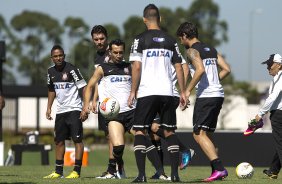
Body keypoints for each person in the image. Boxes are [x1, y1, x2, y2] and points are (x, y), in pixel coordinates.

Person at [128, 4, 188, 183]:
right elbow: (179, 66)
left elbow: (136, 66)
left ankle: (141, 176)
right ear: (160, 19)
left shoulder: (139, 40)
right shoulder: (171, 41)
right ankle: (175, 175)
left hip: (147, 92)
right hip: (168, 93)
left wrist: (133, 91)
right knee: (169, 132)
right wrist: (183, 91)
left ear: (144, 19)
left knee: (139, 131)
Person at [176, 22, 231, 182]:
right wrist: (213, 82)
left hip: (206, 96)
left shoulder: (191, 50)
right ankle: (217, 172)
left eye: (181, 38)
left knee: (198, 134)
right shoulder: (211, 49)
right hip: (218, 94)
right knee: (207, 135)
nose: (181, 42)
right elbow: (227, 69)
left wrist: (186, 91)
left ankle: (220, 169)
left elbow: (200, 70)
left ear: (185, 36)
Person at [81, 39, 135, 179]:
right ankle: (118, 167)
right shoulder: (102, 68)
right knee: (116, 145)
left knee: (144, 138)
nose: (118, 55)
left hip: (131, 111)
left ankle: (159, 173)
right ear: (110, 52)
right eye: (115, 52)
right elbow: (90, 86)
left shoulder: (130, 67)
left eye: (121, 52)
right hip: (112, 113)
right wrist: (87, 104)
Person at [43, 44, 87, 179]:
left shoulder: (72, 69)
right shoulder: (50, 72)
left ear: (64, 56)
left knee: (77, 140)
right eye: (55, 56)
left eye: (60, 55)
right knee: (59, 141)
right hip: (61, 111)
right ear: (52, 58)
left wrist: (85, 107)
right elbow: (51, 90)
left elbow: (83, 88)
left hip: (74, 109)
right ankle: (58, 171)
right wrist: (49, 107)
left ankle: (76, 171)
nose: (58, 58)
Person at [90, 25, 120, 179]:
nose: (99, 42)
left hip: (115, 101)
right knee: (109, 135)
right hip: (104, 102)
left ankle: (112, 170)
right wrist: (94, 100)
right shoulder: (97, 57)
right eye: (96, 39)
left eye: (102, 38)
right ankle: (116, 169)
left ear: (106, 38)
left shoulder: (112, 53)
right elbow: (98, 81)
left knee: (115, 134)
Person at [251, 54, 282, 179]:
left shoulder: (280, 78)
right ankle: (273, 170)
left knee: (280, 144)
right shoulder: (276, 78)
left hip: (279, 115)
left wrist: (260, 114)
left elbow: (272, 97)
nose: (268, 67)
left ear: (279, 65)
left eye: (270, 64)